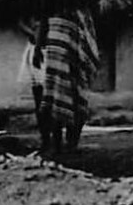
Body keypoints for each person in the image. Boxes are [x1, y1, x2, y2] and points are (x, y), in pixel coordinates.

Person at [36, 10, 101, 155]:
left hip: (75, 57)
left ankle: (72, 143)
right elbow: (43, 25)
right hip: (55, 53)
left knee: (78, 97)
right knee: (55, 97)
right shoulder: (50, 3)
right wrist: (37, 48)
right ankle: (57, 144)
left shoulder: (81, 9)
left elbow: (88, 36)